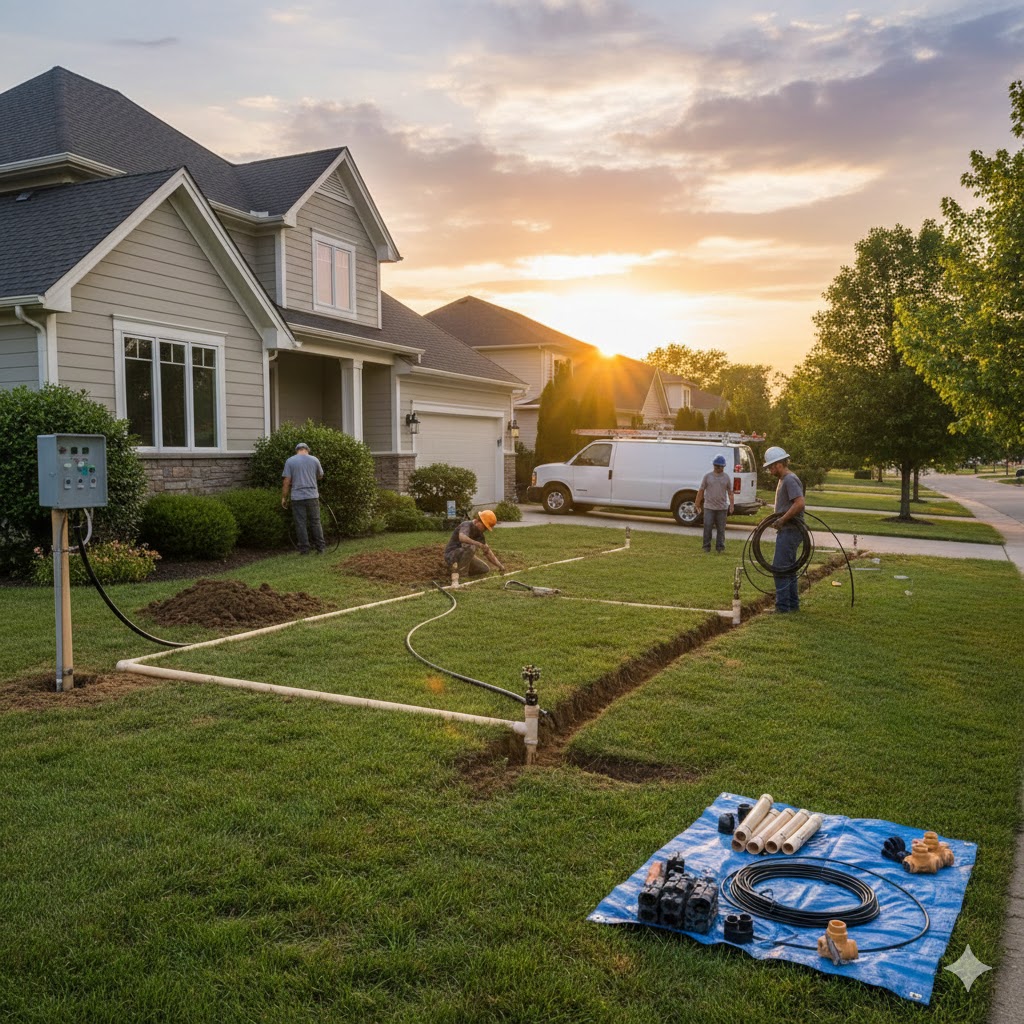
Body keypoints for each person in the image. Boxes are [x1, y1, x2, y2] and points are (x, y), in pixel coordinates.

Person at [763, 445, 806, 613]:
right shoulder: (784, 479)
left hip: (791, 530)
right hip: (788, 530)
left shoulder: (789, 479)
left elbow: (800, 503)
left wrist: (782, 519)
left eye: (770, 467)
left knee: (780, 568)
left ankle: (782, 607)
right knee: (789, 569)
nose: (769, 470)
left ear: (778, 465)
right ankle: (792, 605)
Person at [281, 442, 325, 554]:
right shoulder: (315, 460)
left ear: (297, 450)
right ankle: (320, 548)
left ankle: (304, 549)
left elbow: (286, 481)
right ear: (307, 450)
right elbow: (320, 476)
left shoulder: (290, 461)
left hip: (297, 497)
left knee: (300, 523)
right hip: (312, 496)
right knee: (315, 522)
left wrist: (284, 497)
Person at [444, 509, 505, 578]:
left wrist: (500, 566)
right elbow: (462, 537)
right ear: (477, 521)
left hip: (463, 556)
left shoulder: (479, 534)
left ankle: (456, 571)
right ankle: (462, 575)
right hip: (451, 555)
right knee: (471, 547)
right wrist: (477, 544)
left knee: (484, 569)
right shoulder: (466, 525)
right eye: (484, 527)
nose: (485, 530)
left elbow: (487, 551)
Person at [695, 454, 734, 553]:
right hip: (709, 507)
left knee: (721, 529)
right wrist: (697, 503)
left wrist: (732, 505)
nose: (717, 468)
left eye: (719, 466)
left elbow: (730, 492)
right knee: (707, 527)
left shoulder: (726, 478)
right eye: (716, 466)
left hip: (722, 508)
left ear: (723, 467)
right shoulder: (707, 477)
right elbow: (701, 490)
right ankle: (706, 547)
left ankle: (720, 548)